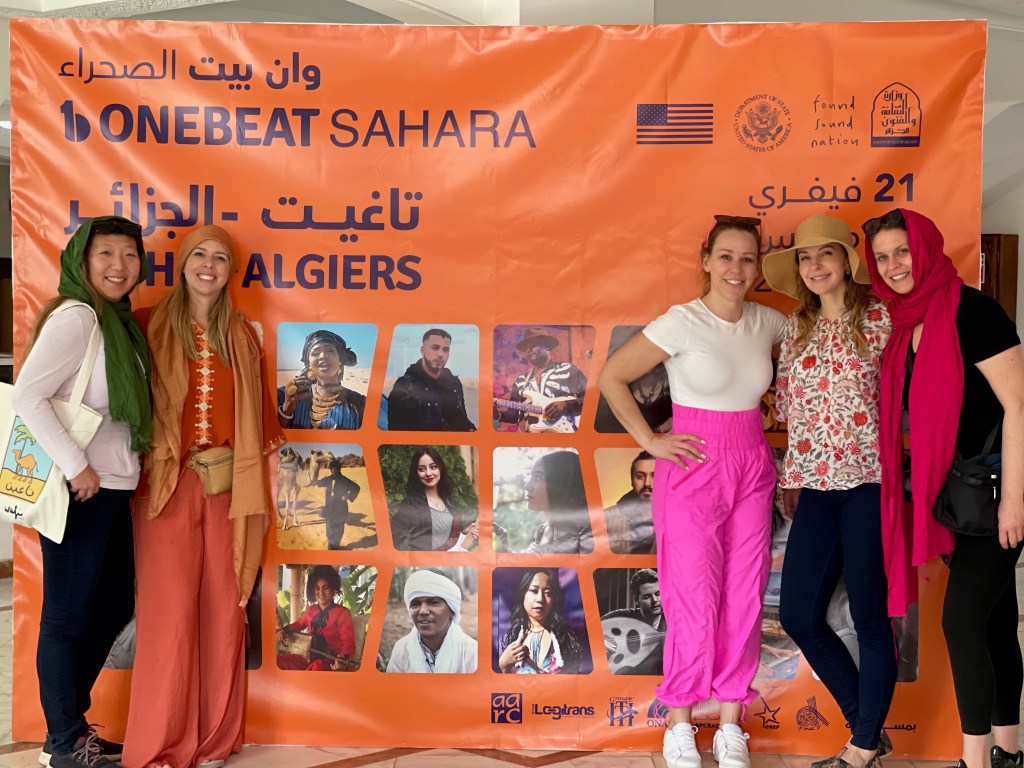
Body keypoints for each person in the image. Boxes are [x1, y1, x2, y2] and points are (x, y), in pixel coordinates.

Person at [598, 214, 785, 768]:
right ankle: (679, 725)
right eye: (726, 256)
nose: (736, 269)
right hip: (693, 467)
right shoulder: (682, 322)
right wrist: (650, 442)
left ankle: (730, 725)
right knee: (690, 596)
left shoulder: (769, 323)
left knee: (745, 595)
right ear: (706, 260)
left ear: (758, 266)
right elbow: (612, 376)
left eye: (747, 259)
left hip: (753, 465)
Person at [862, 209, 1024, 768]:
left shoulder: (975, 311)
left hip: (997, 491)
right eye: (882, 257)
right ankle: (1008, 752)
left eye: (902, 251)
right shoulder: (901, 322)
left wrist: (1014, 501)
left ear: (926, 248)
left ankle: (973, 759)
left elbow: (1019, 406)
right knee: (995, 622)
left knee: (961, 622)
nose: (894, 265)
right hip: (959, 497)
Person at [123, 225, 283, 768]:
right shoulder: (146, 324)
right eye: (199, 254)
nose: (208, 265)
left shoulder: (243, 335)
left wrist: (268, 497)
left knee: (224, 608)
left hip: (230, 486)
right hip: (163, 485)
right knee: (167, 615)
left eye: (219, 257)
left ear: (230, 271)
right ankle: (162, 744)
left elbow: (261, 425)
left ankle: (214, 740)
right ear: (183, 263)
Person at [14, 216, 151, 768]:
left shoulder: (119, 324)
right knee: (67, 617)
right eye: (105, 254)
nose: (119, 266)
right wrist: (76, 467)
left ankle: (70, 726)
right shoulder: (77, 317)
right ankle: (65, 741)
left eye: (130, 255)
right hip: (82, 490)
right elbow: (28, 395)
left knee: (114, 603)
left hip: (115, 488)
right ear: (82, 261)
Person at [762, 214, 895, 768]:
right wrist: (791, 480)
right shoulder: (795, 329)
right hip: (814, 489)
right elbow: (791, 413)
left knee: (869, 617)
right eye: (805, 257)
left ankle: (862, 747)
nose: (815, 265)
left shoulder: (882, 320)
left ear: (847, 261)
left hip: (868, 484)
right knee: (798, 615)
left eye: (826, 254)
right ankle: (867, 726)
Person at [495, 327, 587, 433]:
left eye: (533, 344)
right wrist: (498, 415)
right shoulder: (520, 381)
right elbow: (515, 415)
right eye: (526, 347)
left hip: (566, 434)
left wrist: (566, 404)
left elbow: (591, 399)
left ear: (547, 346)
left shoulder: (569, 370)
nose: (529, 349)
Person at [386, 569, 477, 673]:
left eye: (433, 602)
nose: (423, 611)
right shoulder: (402, 649)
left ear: (452, 610)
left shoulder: (472, 652)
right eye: (415, 604)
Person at [497, 569, 586, 674]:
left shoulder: (567, 639)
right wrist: (503, 665)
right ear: (522, 595)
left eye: (547, 593)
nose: (540, 599)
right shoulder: (509, 639)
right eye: (534, 591)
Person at [387, 328, 477, 431]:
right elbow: (396, 433)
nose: (440, 354)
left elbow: (462, 420)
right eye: (435, 348)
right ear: (423, 350)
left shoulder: (454, 383)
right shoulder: (405, 386)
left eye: (445, 350)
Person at [390, 447, 478, 551]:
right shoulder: (411, 503)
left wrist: (463, 534)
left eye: (433, 467)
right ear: (416, 473)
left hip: (450, 560)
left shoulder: (447, 499)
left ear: (440, 468)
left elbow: (446, 537)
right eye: (421, 469)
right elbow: (395, 537)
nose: (428, 473)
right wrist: (416, 556)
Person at [277, 329, 365, 429]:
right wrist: (286, 409)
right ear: (308, 364)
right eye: (315, 353)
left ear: (340, 359)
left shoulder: (360, 404)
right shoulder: (283, 396)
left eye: (329, 350)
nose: (323, 356)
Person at [277, 565, 356, 671]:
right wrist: (284, 631)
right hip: (307, 659)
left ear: (333, 589)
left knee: (317, 667)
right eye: (317, 588)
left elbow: (348, 643)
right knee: (279, 661)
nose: (321, 592)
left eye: (326, 588)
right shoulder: (311, 610)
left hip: (331, 662)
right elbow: (299, 624)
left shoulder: (342, 613)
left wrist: (342, 659)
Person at [523, 450, 593, 554]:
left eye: (538, 477)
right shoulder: (541, 531)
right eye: (531, 476)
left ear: (561, 484)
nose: (528, 486)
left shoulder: (583, 541)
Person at [600, 569, 665, 675]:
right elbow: (589, 628)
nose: (655, 601)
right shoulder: (622, 617)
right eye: (647, 597)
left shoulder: (674, 622)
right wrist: (600, 642)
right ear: (636, 600)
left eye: (658, 594)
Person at [604, 450, 657, 554]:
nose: (647, 483)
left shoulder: (680, 518)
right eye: (640, 476)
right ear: (632, 480)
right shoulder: (606, 518)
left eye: (655, 476)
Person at [317, 457, 361, 550]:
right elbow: (319, 483)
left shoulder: (344, 480)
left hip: (341, 509)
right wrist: (316, 481)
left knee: (339, 529)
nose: (333, 470)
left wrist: (348, 496)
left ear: (339, 469)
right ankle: (331, 546)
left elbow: (356, 487)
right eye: (332, 469)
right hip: (330, 509)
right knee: (329, 528)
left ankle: (336, 546)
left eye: (335, 469)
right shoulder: (328, 479)